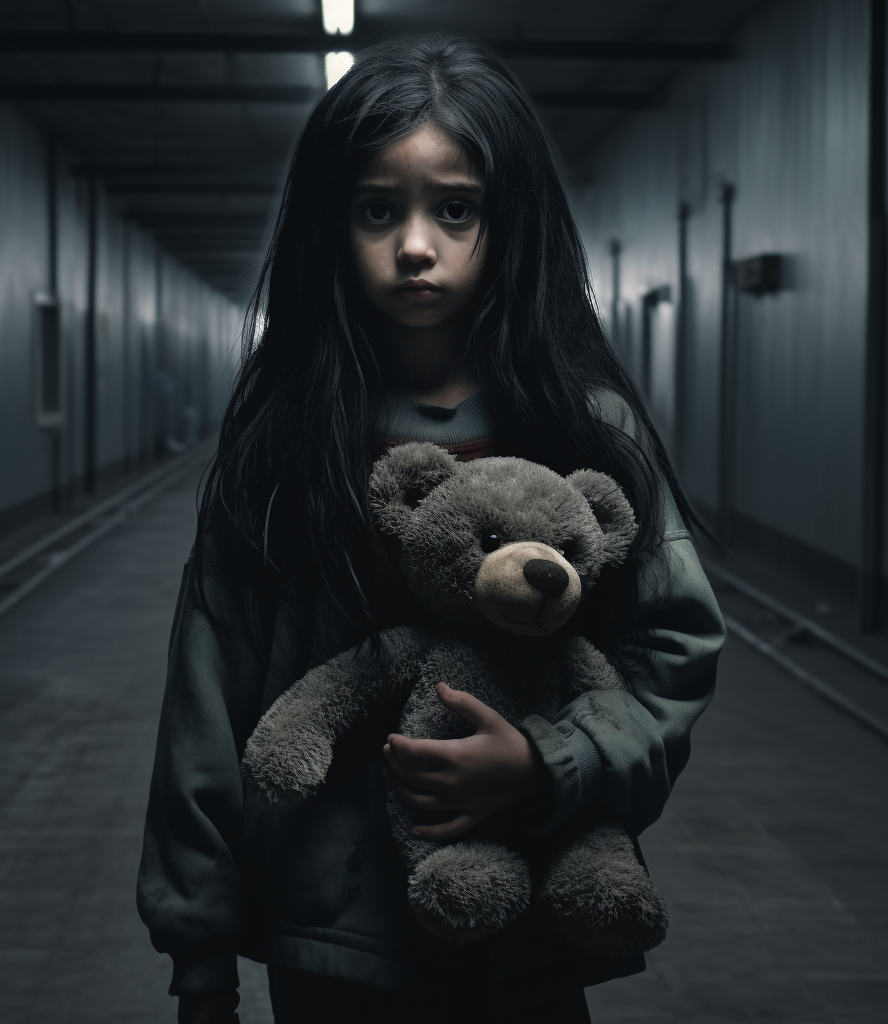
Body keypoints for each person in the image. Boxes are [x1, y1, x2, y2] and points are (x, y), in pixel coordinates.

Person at [137, 36, 726, 1024]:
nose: (416, 244)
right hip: (330, 944)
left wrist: (550, 764)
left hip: (527, 925)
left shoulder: (583, 426)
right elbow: (206, 705)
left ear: (509, 219)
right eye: (378, 208)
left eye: (454, 207)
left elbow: (675, 648)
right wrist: (200, 953)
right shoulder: (284, 446)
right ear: (333, 222)